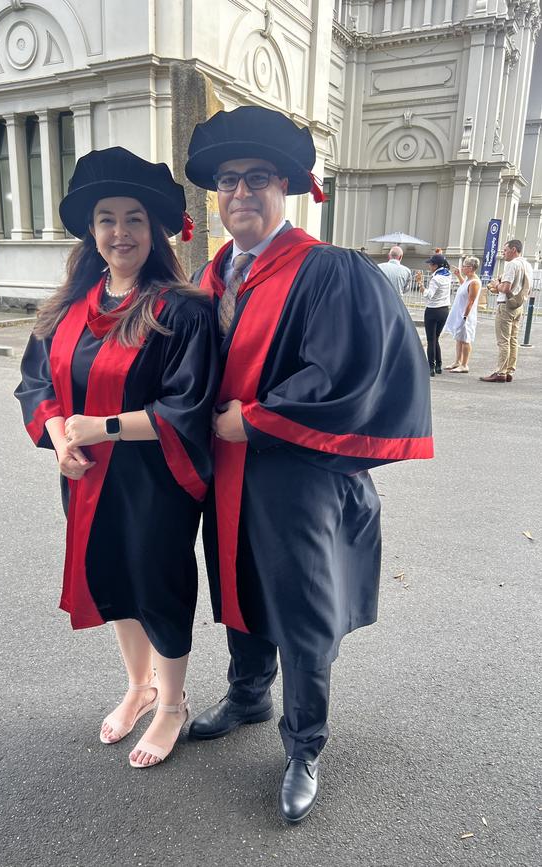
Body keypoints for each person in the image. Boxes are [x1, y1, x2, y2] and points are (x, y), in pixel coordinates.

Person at [183, 106, 433, 823]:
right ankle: (249, 691)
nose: (239, 194)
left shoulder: (328, 271)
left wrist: (251, 419)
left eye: (256, 179)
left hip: (301, 478)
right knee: (235, 583)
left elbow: (343, 375)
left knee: (301, 608)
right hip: (227, 478)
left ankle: (305, 743)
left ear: (287, 186)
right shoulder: (210, 276)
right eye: (228, 181)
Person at [15, 147, 218, 768]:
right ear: (90, 230)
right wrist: (58, 436)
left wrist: (98, 428)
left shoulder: (180, 310)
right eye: (107, 218)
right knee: (113, 580)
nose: (120, 232)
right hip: (85, 477)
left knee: (158, 583)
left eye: (134, 218)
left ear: (154, 229)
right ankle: (138, 685)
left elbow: (189, 407)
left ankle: (173, 704)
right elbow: (36, 385)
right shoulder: (68, 307)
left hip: (154, 481)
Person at [480, 239, 533, 383]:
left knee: (503, 340)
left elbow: (505, 288)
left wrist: (497, 285)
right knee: (513, 339)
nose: (503, 253)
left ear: (514, 250)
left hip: (506, 305)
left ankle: (501, 372)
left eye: (505, 250)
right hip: (519, 305)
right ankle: (509, 370)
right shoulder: (527, 265)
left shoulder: (512, 265)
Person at [442, 256, 481, 372]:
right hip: (460, 312)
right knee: (459, 338)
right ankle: (457, 361)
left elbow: (471, 301)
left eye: (464, 266)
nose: (462, 268)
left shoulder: (474, 282)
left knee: (465, 339)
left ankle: (464, 364)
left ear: (471, 268)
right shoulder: (468, 280)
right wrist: (459, 275)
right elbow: (464, 286)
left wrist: (465, 316)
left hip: (466, 315)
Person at [416, 252, 451, 376]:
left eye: (430, 264)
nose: (429, 267)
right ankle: (439, 365)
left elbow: (428, 295)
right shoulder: (448, 275)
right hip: (444, 310)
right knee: (436, 338)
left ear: (436, 265)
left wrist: (420, 283)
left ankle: (431, 366)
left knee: (431, 340)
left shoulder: (436, 278)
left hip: (433, 310)